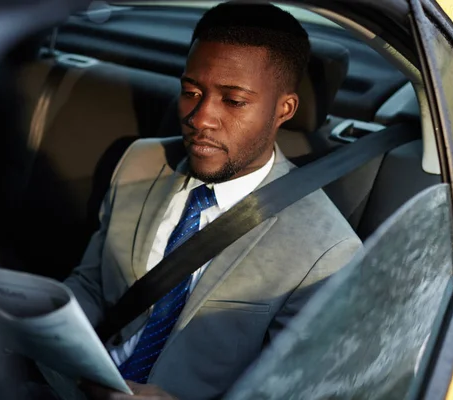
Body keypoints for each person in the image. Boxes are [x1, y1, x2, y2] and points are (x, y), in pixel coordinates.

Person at [40, 3, 362, 399]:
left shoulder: (325, 250)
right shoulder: (140, 162)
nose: (200, 117)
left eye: (234, 101)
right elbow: (92, 283)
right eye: (191, 92)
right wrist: (46, 335)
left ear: (284, 109)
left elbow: (292, 389)